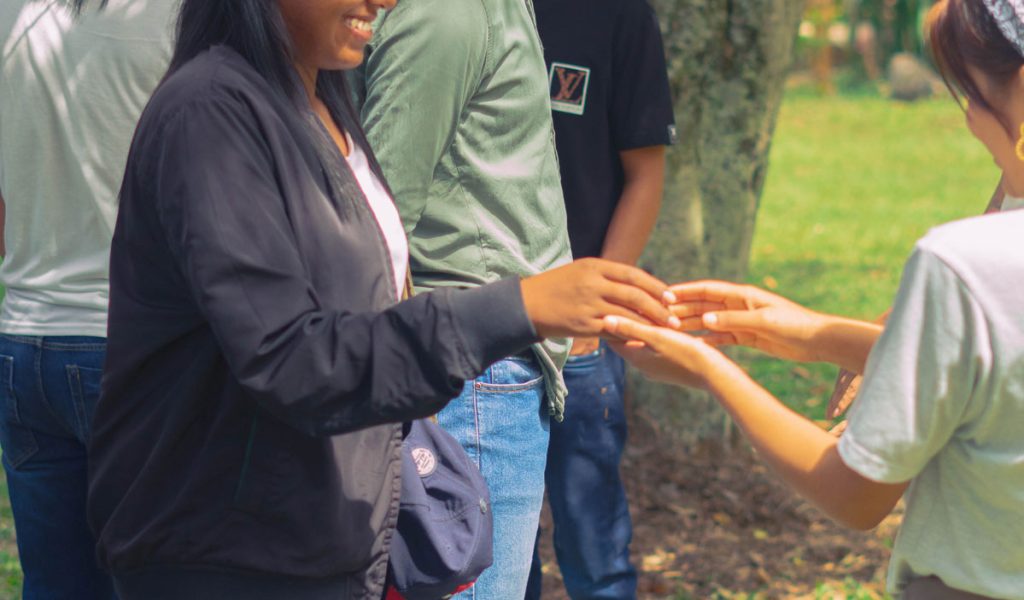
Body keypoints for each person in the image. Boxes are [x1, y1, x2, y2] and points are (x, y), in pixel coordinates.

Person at [86, 1, 680, 598]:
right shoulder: (209, 112)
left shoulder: (320, 97)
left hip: (316, 537)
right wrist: (516, 307)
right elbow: (290, 356)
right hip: (226, 551)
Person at [603, 1, 1024, 597]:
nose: (970, 124)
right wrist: (811, 334)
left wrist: (710, 369)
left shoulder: (964, 265)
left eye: (970, 99)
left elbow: (854, 494)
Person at [351, 0, 655, 595]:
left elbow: (369, 230)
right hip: (465, 354)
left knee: (590, 557)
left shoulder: (442, 13)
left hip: (468, 367)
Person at [0, 1, 174, 596]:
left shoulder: (13, 16)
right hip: (127, 343)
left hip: (22, 339)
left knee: (54, 585)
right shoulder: (179, 17)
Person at [525, 0, 675, 597]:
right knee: (490, 549)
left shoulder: (618, 14)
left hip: (582, 337)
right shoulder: (460, 14)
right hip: (482, 323)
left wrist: (602, 306)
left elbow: (645, 174)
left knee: (596, 553)